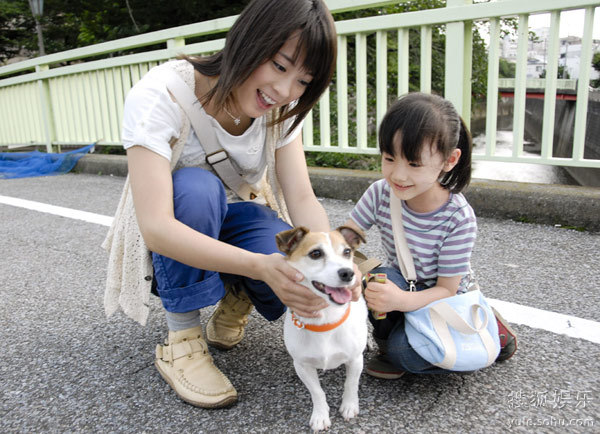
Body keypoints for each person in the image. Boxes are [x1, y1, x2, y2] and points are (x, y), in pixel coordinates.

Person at [103, 0, 361, 408]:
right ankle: (182, 338)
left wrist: (335, 266)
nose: (284, 91)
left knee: (297, 279)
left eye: (302, 81)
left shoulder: (282, 108)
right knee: (197, 188)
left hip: (242, 214)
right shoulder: (160, 94)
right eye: (279, 65)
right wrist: (259, 265)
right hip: (178, 221)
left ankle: (237, 292)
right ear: (248, 38)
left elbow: (301, 197)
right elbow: (155, 226)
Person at [344, 92, 515, 378]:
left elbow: (446, 289)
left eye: (413, 164)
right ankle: (390, 343)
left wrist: (397, 301)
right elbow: (349, 234)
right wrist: (337, 258)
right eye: (389, 158)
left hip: (444, 300)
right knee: (373, 278)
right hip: (405, 282)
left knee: (404, 354)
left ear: (449, 160)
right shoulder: (380, 193)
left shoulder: (458, 217)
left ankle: (490, 330)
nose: (398, 175)